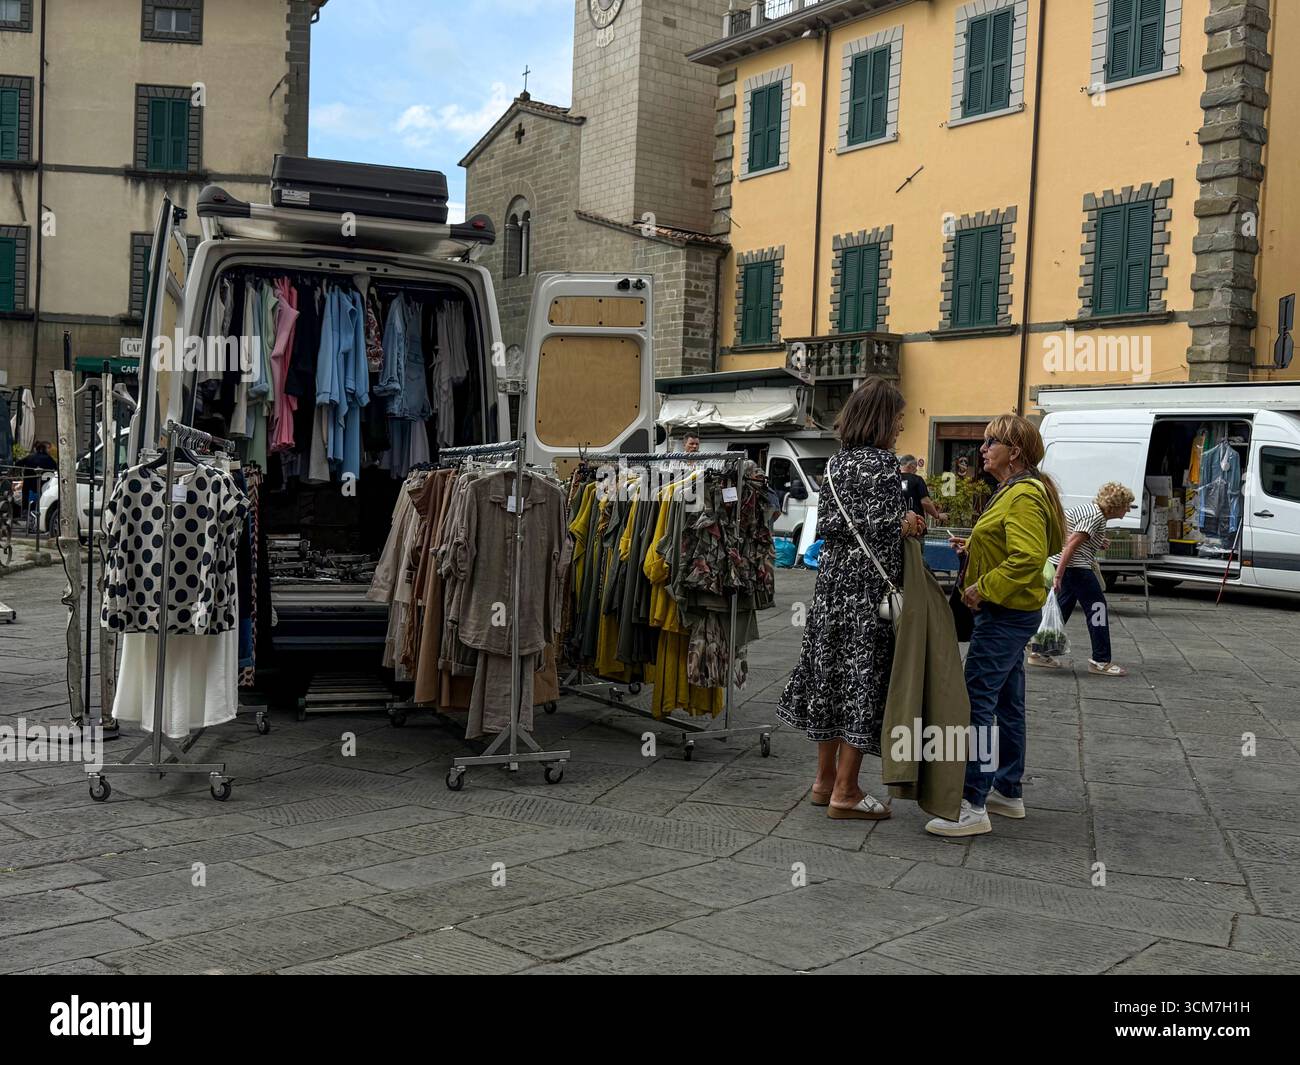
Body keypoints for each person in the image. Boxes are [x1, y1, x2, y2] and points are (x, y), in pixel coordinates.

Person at [777, 377, 927, 820]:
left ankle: (823, 782)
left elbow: (831, 527)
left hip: (830, 590)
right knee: (864, 682)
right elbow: (882, 529)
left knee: (831, 680)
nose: (900, 427)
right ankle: (846, 790)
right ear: (882, 419)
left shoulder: (837, 464)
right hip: (867, 594)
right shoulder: (882, 466)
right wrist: (910, 524)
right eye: (898, 418)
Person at [926, 414, 1065, 838]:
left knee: (977, 704)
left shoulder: (1022, 495)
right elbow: (1018, 546)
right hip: (1015, 611)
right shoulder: (1018, 490)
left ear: (1014, 452)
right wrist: (975, 546)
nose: (982, 449)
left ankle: (973, 803)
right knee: (1008, 702)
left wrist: (982, 586)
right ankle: (1008, 789)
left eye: (990, 442)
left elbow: (1027, 557)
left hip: (1004, 613)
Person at [1029, 482, 1135, 677]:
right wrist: (1059, 576)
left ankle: (1040, 651)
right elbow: (1071, 545)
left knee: (1061, 609)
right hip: (1075, 568)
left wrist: (1097, 540)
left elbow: (1072, 532)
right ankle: (1100, 660)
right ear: (1116, 505)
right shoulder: (1095, 517)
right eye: (1126, 505)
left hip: (1066, 566)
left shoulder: (1092, 512)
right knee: (1098, 609)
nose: (1128, 509)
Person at [899, 454, 947, 524]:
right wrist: (937, 515)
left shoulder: (893, 479)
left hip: (896, 524)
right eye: (915, 468)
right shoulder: (917, 480)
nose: (916, 470)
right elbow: (925, 502)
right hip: (915, 523)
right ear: (910, 466)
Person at [16, 441, 57, 520]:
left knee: (26, 491)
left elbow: (18, 463)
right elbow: (56, 468)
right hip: (44, 486)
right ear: (45, 449)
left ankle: (25, 511)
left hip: (29, 484)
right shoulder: (49, 459)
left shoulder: (30, 457)